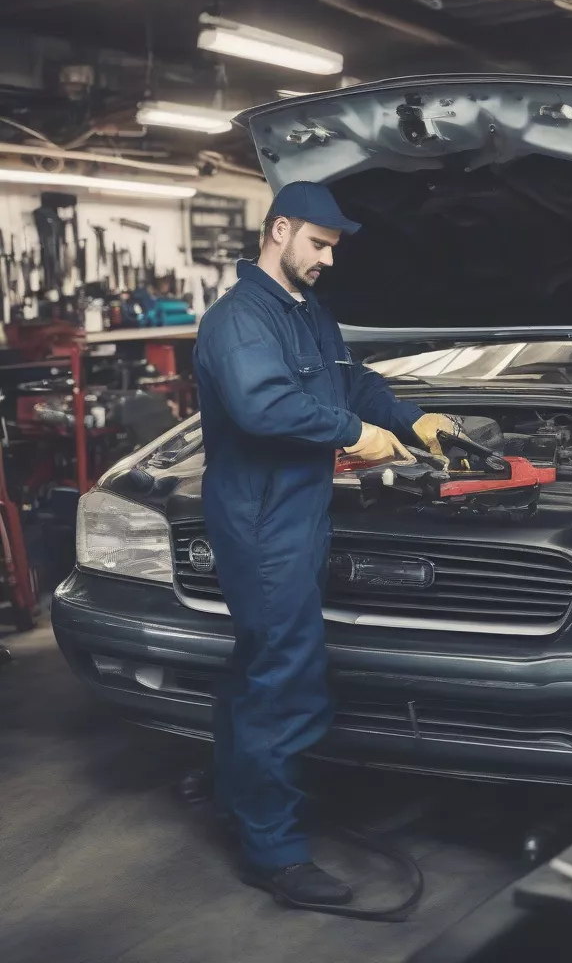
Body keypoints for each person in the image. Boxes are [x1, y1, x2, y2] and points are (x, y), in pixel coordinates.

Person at [193, 180, 452, 911]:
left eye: (333, 248)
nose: (328, 259)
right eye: (318, 243)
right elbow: (264, 403)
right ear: (278, 231)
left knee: (258, 667)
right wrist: (354, 435)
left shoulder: (305, 312)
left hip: (295, 509)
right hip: (263, 514)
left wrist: (412, 418)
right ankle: (273, 852)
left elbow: (349, 380)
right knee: (283, 675)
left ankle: (239, 799)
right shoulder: (240, 320)